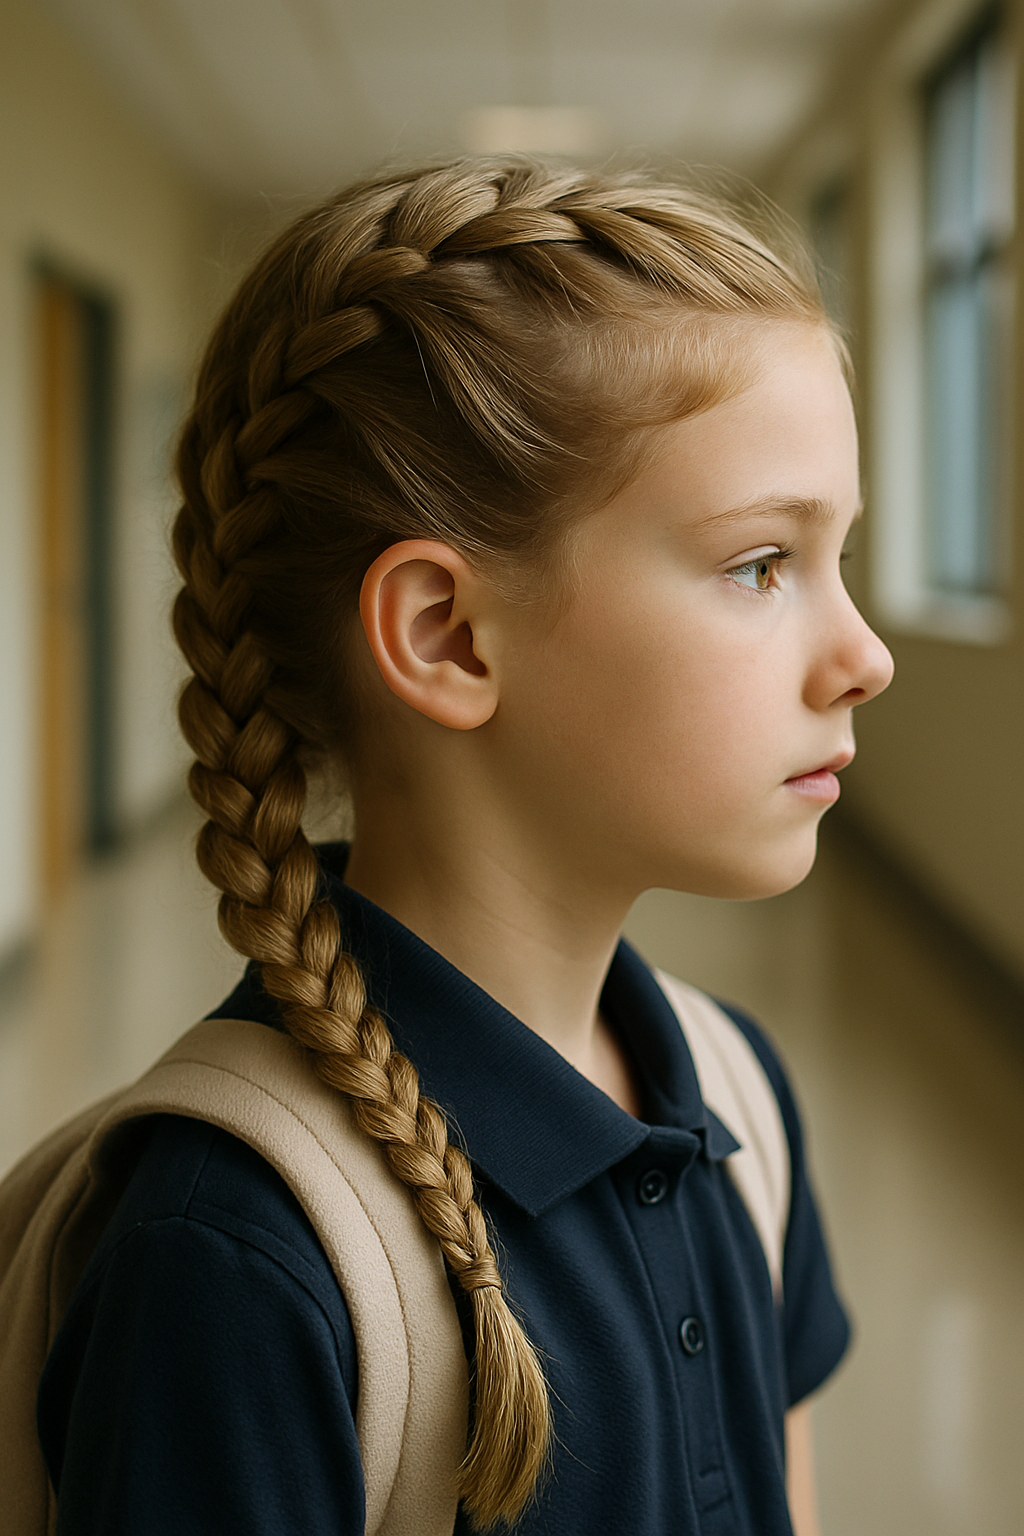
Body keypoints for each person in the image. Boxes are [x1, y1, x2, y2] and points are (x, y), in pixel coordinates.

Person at [35, 157, 894, 1535]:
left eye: (839, 556)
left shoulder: (738, 1097)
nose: (865, 656)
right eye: (760, 565)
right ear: (446, 635)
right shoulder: (236, 1258)